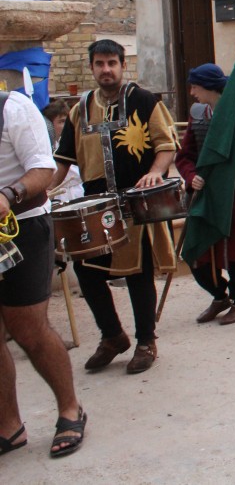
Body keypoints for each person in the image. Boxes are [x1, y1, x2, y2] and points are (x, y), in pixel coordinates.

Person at [51, 39, 177, 375]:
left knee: (138, 273)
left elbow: (167, 146)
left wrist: (154, 173)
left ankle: (146, 341)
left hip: (137, 204)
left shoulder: (143, 100)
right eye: (100, 64)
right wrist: (41, 190)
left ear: (123, 65)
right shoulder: (80, 110)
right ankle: (112, 336)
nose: (106, 70)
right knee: (87, 273)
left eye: (112, 63)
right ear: (92, 67)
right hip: (96, 209)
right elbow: (63, 162)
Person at [0, 89, 87, 458]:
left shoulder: (13, 109)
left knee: (28, 328)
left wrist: (9, 194)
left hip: (23, 226)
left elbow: (44, 169)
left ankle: (70, 409)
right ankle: (9, 426)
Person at [175, 64, 235, 325]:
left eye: (195, 86)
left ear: (209, 87)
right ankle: (218, 295)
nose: (191, 92)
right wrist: (192, 176)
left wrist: (221, 139)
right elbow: (185, 155)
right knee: (198, 252)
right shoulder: (198, 114)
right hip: (206, 196)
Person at [41, 100, 83, 203]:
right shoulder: (45, 147)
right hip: (58, 195)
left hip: (78, 192)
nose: (66, 125)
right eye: (61, 121)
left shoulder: (76, 142)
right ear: (50, 125)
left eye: (66, 121)